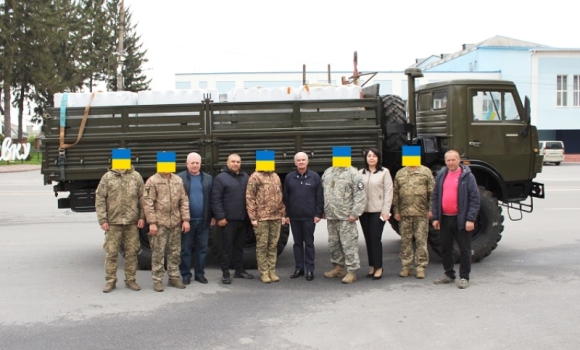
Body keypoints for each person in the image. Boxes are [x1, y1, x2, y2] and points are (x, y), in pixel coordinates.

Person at [96, 155, 145, 293]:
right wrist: (103, 220)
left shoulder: (136, 177)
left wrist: (142, 217)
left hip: (132, 222)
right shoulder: (107, 177)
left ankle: (131, 280)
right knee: (111, 253)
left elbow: (143, 198)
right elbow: (100, 199)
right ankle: (110, 280)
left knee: (132, 253)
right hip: (113, 222)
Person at [432, 150, 480, 289]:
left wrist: (470, 219)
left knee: (464, 249)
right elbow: (435, 197)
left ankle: (464, 277)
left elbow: (475, 198)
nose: (451, 163)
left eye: (453, 160)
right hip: (445, 218)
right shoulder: (441, 175)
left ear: (459, 160)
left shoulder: (467, 176)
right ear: (445, 161)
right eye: (448, 160)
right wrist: (436, 217)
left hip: (461, 219)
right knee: (446, 248)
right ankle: (449, 274)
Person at [143, 154, 190, 292]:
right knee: (158, 253)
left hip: (175, 223)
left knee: (175, 253)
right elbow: (147, 202)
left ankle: (173, 277)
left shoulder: (178, 180)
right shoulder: (152, 181)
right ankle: (157, 280)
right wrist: (152, 222)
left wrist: (185, 220)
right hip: (159, 224)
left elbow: (184, 201)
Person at [322, 147, 366, 284]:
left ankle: (352, 271)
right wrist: (324, 210)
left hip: (347, 216)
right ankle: (338, 267)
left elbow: (360, 196)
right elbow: (324, 192)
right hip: (331, 216)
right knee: (334, 243)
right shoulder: (328, 172)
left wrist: (355, 213)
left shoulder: (354, 174)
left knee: (349, 244)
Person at [211, 153, 254, 284]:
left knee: (239, 247)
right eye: (233, 161)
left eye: (238, 162)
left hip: (242, 219)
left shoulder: (246, 177)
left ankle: (239, 271)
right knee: (226, 248)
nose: (236, 164)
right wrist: (221, 217)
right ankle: (225, 273)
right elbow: (215, 199)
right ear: (227, 163)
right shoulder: (220, 178)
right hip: (227, 221)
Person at [246, 151, 286, 283]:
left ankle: (271, 270)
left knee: (273, 245)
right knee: (262, 246)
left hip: (275, 217)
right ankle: (263, 272)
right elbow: (250, 198)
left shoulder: (275, 176)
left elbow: (280, 196)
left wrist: (282, 214)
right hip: (261, 218)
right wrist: (253, 217)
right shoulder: (255, 177)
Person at [283, 152, 323, 281]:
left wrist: (317, 214)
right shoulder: (289, 177)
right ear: (295, 163)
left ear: (307, 162)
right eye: (298, 160)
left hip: (309, 217)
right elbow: (286, 198)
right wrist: (287, 215)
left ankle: (310, 269)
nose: (301, 162)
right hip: (294, 217)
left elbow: (319, 197)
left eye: (303, 160)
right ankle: (299, 268)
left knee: (309, 244)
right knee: (297, 244)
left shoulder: (314, 177)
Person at [177, 152, 215, 285]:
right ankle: (186, 275)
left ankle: (200, 274)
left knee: (202, 249)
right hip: (187, 221)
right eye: (192, 163)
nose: (195, 165)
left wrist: (213, 216)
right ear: (186, 163)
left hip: (203, 220)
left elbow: (212, 199)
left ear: (200, 164)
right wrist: (182, 219)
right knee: (186, 250)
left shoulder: (208, 179)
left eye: (197, 163)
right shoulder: (179, 178)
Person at [392, 160, 434, 279]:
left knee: (421, 241)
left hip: (421, 213)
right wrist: (396, 211)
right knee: (406, 241)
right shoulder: (400, 173)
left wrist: (431, 209)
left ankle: (420, 267)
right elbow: (395, 194)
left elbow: (432, 192)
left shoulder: (425, 172)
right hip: (404, 214)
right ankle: (407, 267)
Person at [358, 148, 393, 280]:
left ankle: (379, 267)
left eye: (374, 156)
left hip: (378, 211)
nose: (371, 158)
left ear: (378, 158)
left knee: (375, 238)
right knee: (368, 239)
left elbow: (388, 192)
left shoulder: (384, 172)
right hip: (364, 211)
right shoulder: (360, 173)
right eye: (369, 156)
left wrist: (385, 211)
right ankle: (372, 265)